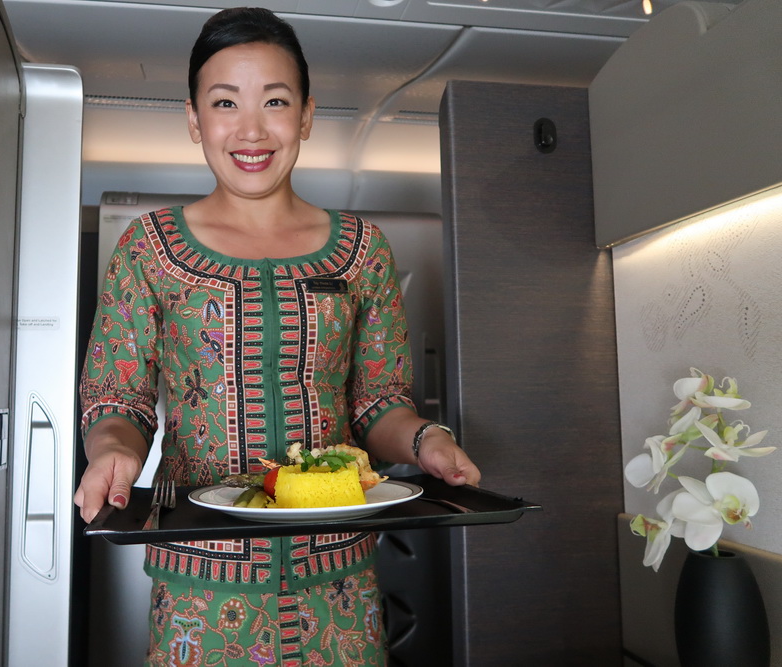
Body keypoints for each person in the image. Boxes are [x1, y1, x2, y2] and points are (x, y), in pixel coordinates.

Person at [74, 7, 481, 665]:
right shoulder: (148, 248)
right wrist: (112, 451)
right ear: (194, 119)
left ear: (307, 117)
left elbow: (378, 403)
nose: (251, 129)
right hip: (202, 589)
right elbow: (116, 402)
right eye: (225, 102)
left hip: (339, 584)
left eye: (276, 101)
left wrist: (424, 440)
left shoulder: (363, 252)